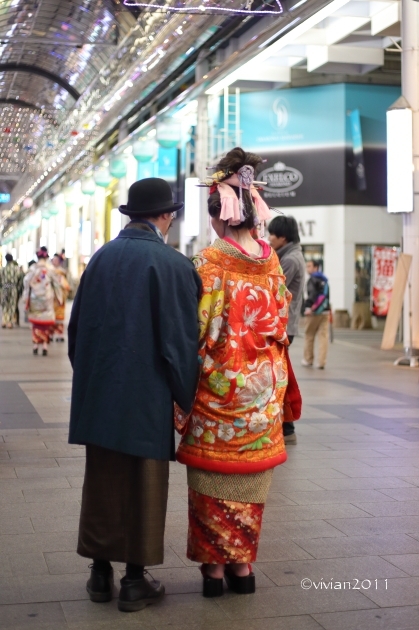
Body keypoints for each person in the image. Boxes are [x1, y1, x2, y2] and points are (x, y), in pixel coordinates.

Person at [68, 178, 201, 613]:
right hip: (146, 399)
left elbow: (76, 335)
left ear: (130, 216)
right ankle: (133, 580)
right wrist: (189, 398)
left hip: (100, 395)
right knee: (144, 484)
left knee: (103, 481)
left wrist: (92, 381)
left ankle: (99, 574)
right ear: (166, 216)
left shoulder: (100, 259)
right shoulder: (175, 266)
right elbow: (180, 345)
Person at [175, 147, 296, 598]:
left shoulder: (208, 265)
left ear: (221, 213)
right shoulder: (271, 264)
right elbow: (280, 326)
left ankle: (212, 571)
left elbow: (196, 332)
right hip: (263, 397)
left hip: (217, 399)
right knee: (249, 488)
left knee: (209, 487)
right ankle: (242, 567)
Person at [268, 215, 305, 445]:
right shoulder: (289, 255)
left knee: (280, 377)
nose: (269, 238)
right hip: (284, 325)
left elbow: (273, 288)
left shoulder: (290, 259)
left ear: (284, 237)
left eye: (273, 234)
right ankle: (286, 427)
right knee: (281, 375)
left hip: (283, 326)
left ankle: (288, 428)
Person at [23, 247, 62, 356]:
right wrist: (59, 298)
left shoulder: (33, 268)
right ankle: (44, 345)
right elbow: (57, 284)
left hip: (35, 298)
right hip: (47, 299)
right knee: (45, 323)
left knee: (36, 322)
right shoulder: (50, 269)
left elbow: (26, 282)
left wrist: (26, 296)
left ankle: (35, 345)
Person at [302, 260, 330, 369]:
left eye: (309, 266)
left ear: (316, 267)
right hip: (325, 311)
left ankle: (308, 359)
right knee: (323, 337)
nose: (307, 268)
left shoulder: (312, 280)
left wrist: (308, 307)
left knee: (309, 335)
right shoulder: (325, 279)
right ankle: (321, 362)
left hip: (313, 313)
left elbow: (312, 295)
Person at [0, 253, 23, 329]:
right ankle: (9, 322)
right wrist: (19, 289)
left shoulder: (3, 269)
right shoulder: (16, 269)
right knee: (12, 305)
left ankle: (4, 321)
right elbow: (20, 279)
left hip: (5, 288)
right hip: (13, 288)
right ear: (12, 259)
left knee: (4, 304)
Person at [51, 253, 70, 342]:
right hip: (51, 297)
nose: (54, 262)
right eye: (53, 260)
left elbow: (66, 285)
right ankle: (50, 334)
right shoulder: (49, 272)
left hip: (59, 297)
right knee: (51, 316)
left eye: (56, 260)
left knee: (59, 316)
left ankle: (59, 334)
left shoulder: (61, 273)